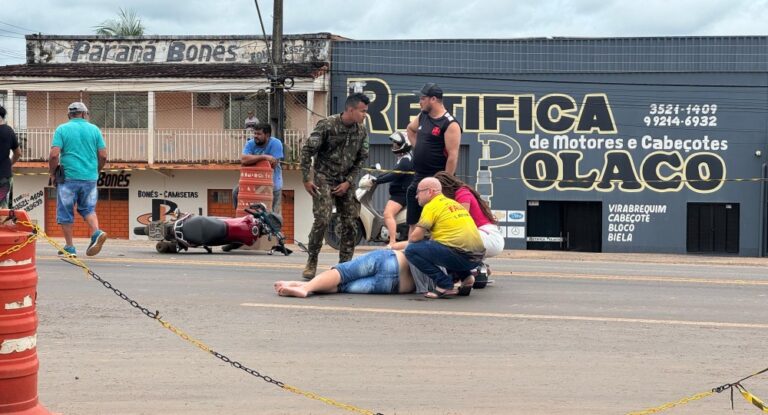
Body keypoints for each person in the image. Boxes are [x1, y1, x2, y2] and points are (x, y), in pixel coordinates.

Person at [299, 93, 370, 280]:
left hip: (345, 180)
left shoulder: (361, 131)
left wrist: (349, 182)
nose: (365, 115)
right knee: (322, 219)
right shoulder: (327, 125)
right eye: (363, 111)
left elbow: (361, 159)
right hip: (324, 178)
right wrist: (306, 178)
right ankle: (312, 260)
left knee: (350, 223)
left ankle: (345, 267)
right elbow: (307, 151)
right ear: (350, 109)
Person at [404, 177, 485, 298]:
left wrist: (397, 246)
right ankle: (466, 277)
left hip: (459, 255)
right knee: (443, 246)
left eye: (418, 192)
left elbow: (415, 237)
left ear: (430, 191)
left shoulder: (431, 206)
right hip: (477, 258)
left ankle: (443, 284)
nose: (416, 196)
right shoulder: (454, 203)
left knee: (411, 250)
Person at [48, 102, 108, 257]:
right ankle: (96, 232)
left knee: (65, 212)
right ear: (84, 114)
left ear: (69, 115)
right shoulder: (95, 130)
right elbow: (103, 156)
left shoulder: (62, 129)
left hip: (69, 179)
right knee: (88, 209)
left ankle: (69, 247)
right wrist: (96, 170)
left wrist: (53, 173)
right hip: (90, 179)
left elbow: (54, 155)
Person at [405, 83, 461, 237]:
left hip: (436, 181)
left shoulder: (450, 123)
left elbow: (453, 156)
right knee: (414, 224)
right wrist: (419, 149)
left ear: (433, 99)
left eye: (423, 98)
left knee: (436, 226)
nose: (420, 102)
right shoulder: (423, 116)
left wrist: (443, 183)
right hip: (419, 178)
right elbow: (410, 129)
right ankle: (411, 257)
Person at [274, 249, 415, 298]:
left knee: (341, 274)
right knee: (342, 287)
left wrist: (393, 245)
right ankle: (301, 285)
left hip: (394, 259)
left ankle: (305, 289)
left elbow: (411, 245)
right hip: (398, 286)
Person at [434, 171, 504, 258]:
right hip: (484, 235)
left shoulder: (462, 193)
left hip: (489, 236)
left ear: (444, 187)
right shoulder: (457, 195)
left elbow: (461, 219)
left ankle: (474, 266)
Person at [372, 132, 413, 247]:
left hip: (401, 194)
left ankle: (392, 241)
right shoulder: (404, 158)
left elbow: (393, 176)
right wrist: (378, 178)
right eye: (394, 143)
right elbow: (392, 173)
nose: (394, 145)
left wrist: (377, 181)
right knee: (389, 214)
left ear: (404, 145)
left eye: (397, 143)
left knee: (388, 214)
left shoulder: (405, 161)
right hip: (400, 192)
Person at [232, 123, 284, 213]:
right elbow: (244, 160)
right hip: (252, 182)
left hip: (272, 184)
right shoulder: (250, 143)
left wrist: (252, 160)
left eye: (259, 134)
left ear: (267, 135)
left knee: (274, 215)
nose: (255, 136)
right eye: (255, 133)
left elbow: (272, 165)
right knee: (235, 192)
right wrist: (264, 157)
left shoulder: (276, 143)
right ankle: (238, 215)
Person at [0, 105, 21, 208]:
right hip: (5, 175)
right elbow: (18, 153)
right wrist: (10, 163)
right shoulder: (9, 131)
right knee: (4, 206)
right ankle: (5, 223)